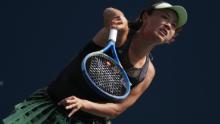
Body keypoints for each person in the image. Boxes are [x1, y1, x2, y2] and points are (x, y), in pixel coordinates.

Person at [3, 1, 188, 124]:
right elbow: (112, 13)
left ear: (171, 38)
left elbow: (116, 109)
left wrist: (83, 104)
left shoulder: (147, 73)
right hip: (48, 108)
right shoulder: (119, 37)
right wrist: (114, 16)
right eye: (164, 17)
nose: (168, 25)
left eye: (173, 26)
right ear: (145, 17)